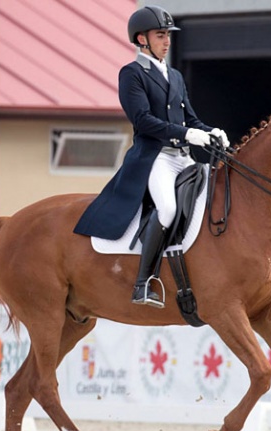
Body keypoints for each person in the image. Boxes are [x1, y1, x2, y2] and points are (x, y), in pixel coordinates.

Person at [74, 6, 229, 308]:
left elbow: (191, 120)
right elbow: (142, 119)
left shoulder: (174, 75)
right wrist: (186, 135)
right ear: (142, 39)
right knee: (168, 209)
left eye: (168, 35)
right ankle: (144, 282)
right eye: (161, 35)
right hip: (155, 157)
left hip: (183, 157)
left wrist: (211, 131)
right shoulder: (132, 74)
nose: (167, 41)